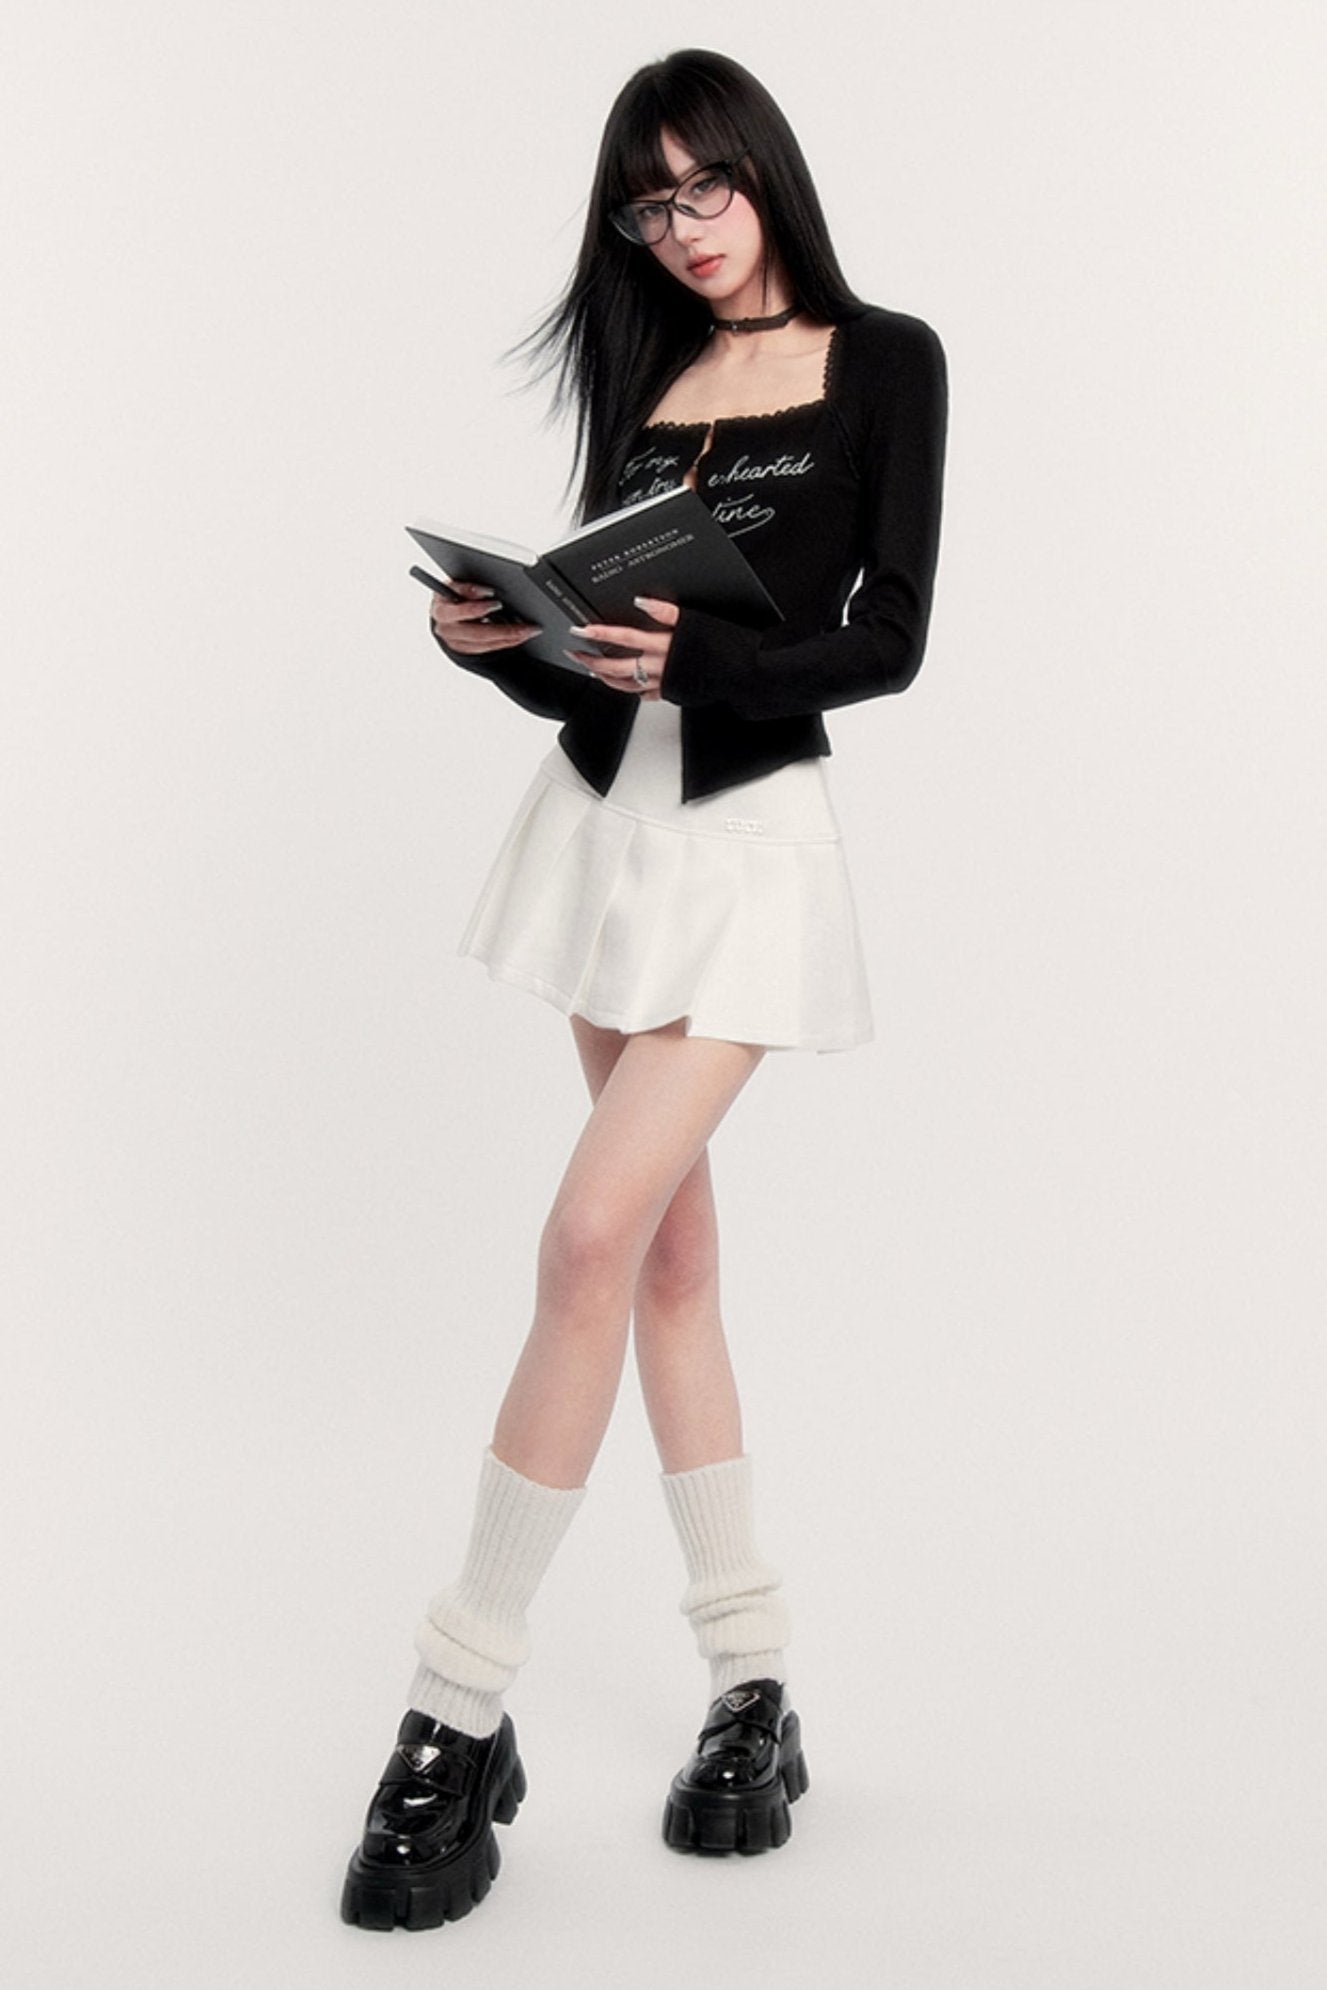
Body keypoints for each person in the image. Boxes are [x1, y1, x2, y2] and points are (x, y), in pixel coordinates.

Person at [340, 47, 947, 1931]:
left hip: (747, 854)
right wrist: (498, 642)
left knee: (586, 1235)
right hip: (604, 839)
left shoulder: (885, 359)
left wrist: (707, 665)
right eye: (649, 205)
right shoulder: (650, 372)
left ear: (765, 171)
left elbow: (891, 638)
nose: (681, 230)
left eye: (706, 188)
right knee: (669, 1254)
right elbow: (603, 660)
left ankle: (455, 1706)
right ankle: (753, 1678)